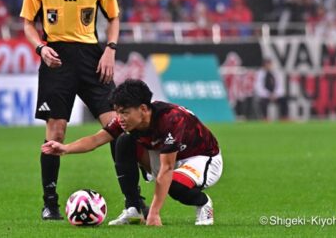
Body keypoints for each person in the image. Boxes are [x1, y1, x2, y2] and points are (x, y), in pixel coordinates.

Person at [20, 0, 122, 220]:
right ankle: (50, 203)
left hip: (92, 57)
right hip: (57, 58)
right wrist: (41, 47)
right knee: (56, 131)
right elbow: (27, 23)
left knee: (118, 127)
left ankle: (133, 201)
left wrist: (110, 50)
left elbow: (114, 17)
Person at [42, 79, 224, 226]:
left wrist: (154, 213)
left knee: (175, 186)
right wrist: (65, 148)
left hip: (201, 159)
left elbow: (167, 169)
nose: (119, 118)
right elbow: (96, 140)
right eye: (117, 112)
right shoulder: (128, 120)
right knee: (123, 141)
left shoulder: (171, 119)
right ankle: (134, 209)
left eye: (124, 112)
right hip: (165, 155)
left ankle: (203, 203)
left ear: (143, 109)